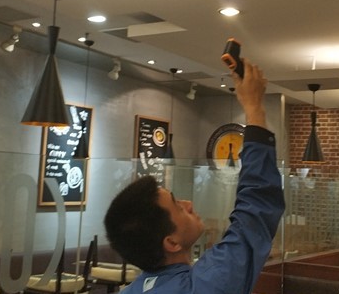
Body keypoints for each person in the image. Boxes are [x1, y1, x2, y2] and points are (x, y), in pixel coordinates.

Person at [104, 58, 285, 294]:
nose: (188, 204)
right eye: (178, 207)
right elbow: (255, 213)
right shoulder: (199, 288)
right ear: (171, 242)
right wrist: (254, 107)